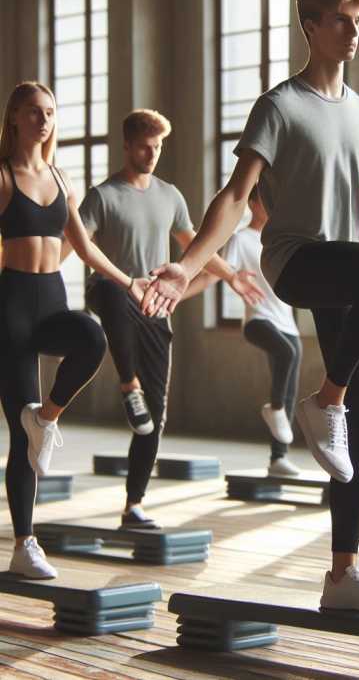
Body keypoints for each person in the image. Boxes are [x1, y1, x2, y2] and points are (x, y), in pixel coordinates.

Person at [141, 0, 359, 613]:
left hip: (347, 266)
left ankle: (343, 574)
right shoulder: (280, 105)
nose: (353, 33)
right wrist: (187, 265)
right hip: (296, 260)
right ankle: (326, 398)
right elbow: (235, 199)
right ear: (311, 26)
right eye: (342, 20)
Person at [73, 108, 263, 530]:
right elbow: (78, 244)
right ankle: (128, 385)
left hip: (154, 309)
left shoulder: (170, 195)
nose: (151, 152)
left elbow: (194, 245)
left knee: (153, 417)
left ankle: (133, 505)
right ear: (126, 145)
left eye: (157, 146)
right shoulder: (102, 196)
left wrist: (231, 275)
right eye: (144, 144)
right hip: (114, 292)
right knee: (108, 291)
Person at [0, 82, 150, 578]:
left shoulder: (62, 180)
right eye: (33, 112)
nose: (43, 121)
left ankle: (46, 418)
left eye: (49, 112)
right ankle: (25, 543)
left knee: (92, 337)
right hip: (11, 307)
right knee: (19, 441)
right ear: (15, 118)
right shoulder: (2, 176)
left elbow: (85, 249)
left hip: (52, 302)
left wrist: (130, 283)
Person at [189, 188, 303, 476]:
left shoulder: (281, 240)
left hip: (288, 323)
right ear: (252, 203)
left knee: (289, 385)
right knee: (285, 356)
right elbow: (214, 275)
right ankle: (274, 408)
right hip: (259, 321)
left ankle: (279, 458)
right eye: (266, 198)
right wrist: (178, 294)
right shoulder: (242, 238)